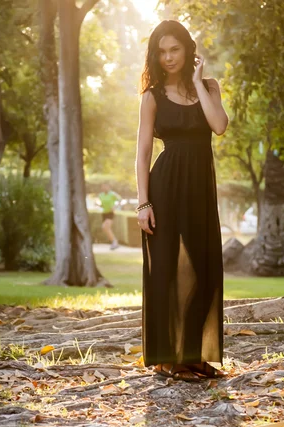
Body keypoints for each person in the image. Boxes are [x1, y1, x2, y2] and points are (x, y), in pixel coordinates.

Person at [135, 20, 229, 382]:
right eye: (162, 51)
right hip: (164, 187)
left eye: (175, 49)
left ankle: (190, 354)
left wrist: (197, 82)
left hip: (200, 190)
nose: (169, 57)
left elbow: (219, 126)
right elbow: (143, 153)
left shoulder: (208, 87)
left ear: (188, 50)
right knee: (164, 274)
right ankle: (165, 358)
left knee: (206, 273)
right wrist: (143, 203)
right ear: (155, 56)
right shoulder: (152, 96)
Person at [99, 183, 120, 250]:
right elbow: (102, 204)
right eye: (103, 186)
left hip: (110, 213)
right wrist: (99, 205)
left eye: (106, 186)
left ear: (109, 187)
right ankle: (114, 242)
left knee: (105, 227)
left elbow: (120, 200)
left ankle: (115, 242)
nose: (104, 188)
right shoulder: (100, 195)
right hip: (104, 213)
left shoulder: (112, 194)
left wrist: (115, 206)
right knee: (105, 228)